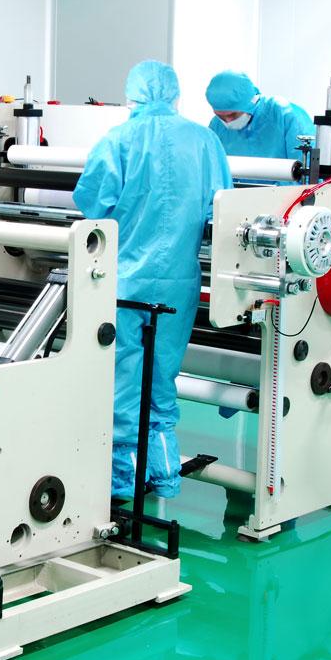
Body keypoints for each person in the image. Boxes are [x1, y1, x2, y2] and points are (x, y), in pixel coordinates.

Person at [74, 60, 232, 499]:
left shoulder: (117, 140)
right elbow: (221, 207)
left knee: (124, 380)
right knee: (162, 381)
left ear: (133, 96)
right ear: (175, 94)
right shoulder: (205, 141)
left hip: (125, 281)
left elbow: (92, 204)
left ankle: (124, 481)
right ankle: (163, 474)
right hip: (180, 281)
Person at [205, 70, 314, 161]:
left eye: (233, 115)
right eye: (221, 116)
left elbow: (308, 168)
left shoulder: (284, 116)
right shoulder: (217, 126)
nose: (228, 121)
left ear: (250, 102)